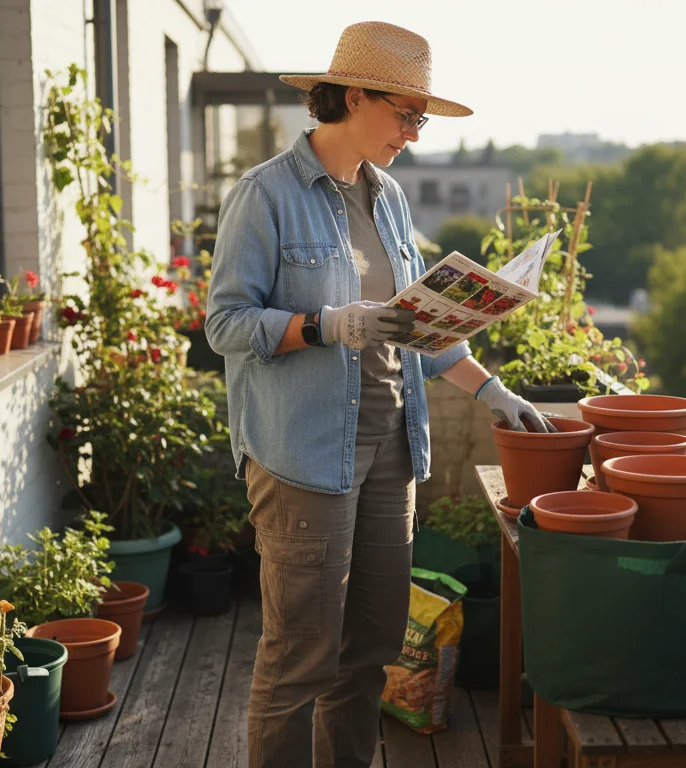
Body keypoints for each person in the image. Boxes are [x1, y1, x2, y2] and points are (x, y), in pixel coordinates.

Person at [204, 21, 554, 768]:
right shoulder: (264, 195)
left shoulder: (389, 196)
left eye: (422, 119)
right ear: (352, 96)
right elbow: (224, 325)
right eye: (407, 114)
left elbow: (416, 325)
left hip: (393, 449)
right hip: (304, 457)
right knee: (300, 659)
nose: (416, 134)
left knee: (368, 653)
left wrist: (494, 392)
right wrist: (328, 325)